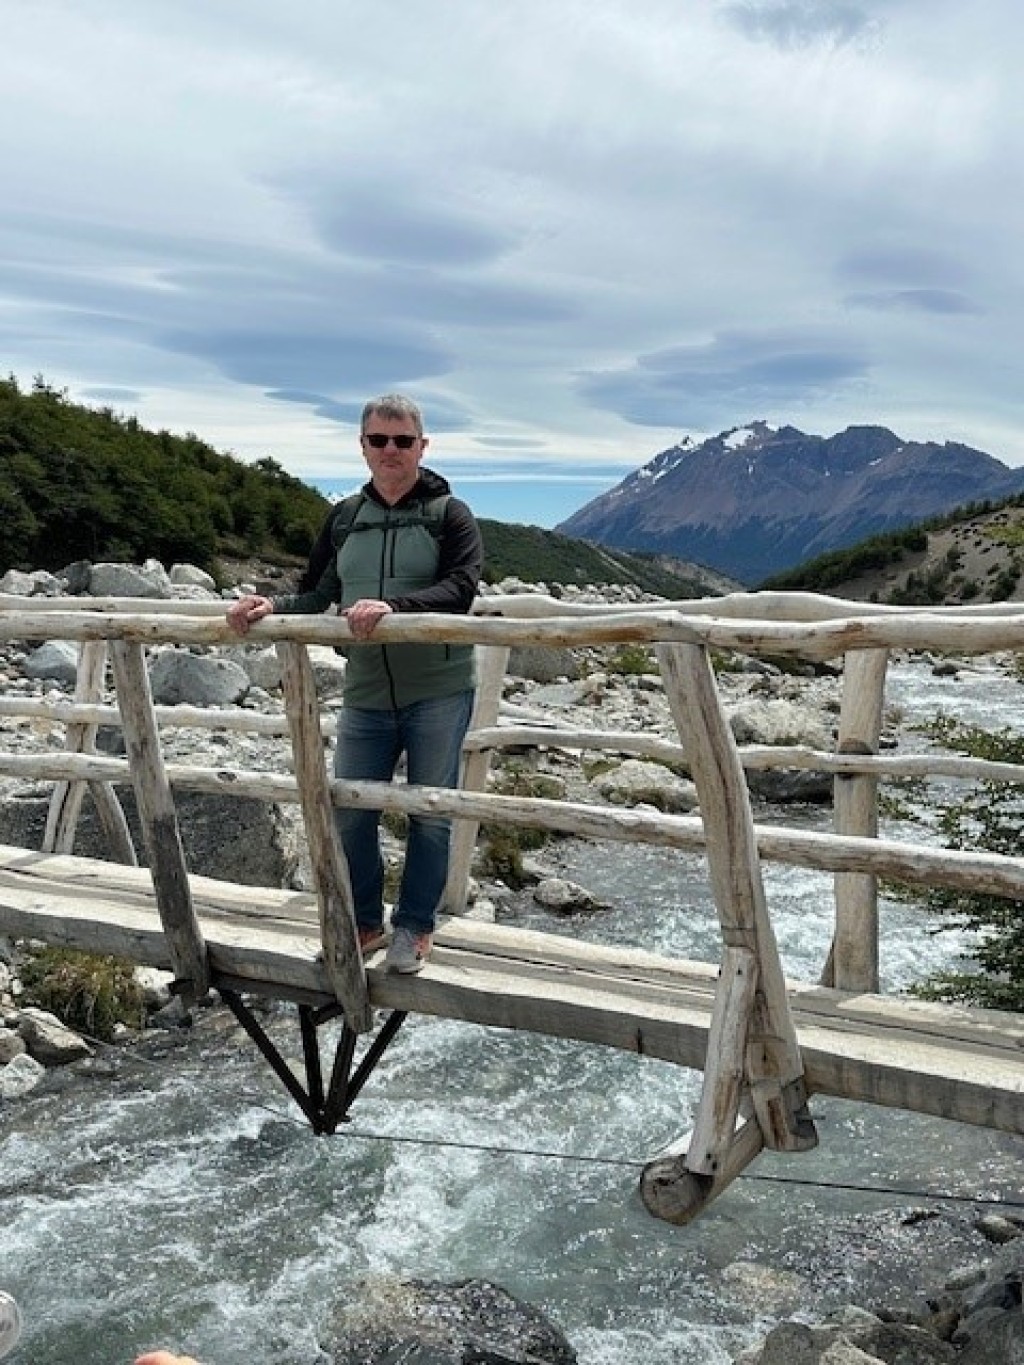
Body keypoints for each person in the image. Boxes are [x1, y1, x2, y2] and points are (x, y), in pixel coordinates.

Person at [227, 394, 483, 973]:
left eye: (403, 440)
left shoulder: (450, 514)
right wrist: (271, 606)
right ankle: (365, 923)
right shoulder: (345, 517)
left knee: (431, 812)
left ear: (422, 446)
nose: (391, 450)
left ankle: (414, 928)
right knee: (349, 810)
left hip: (438, 686)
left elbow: (462, 588)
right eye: (379, 440)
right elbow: (319, 593)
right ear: (363, 446)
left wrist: (394, 607)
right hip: (366, 689)